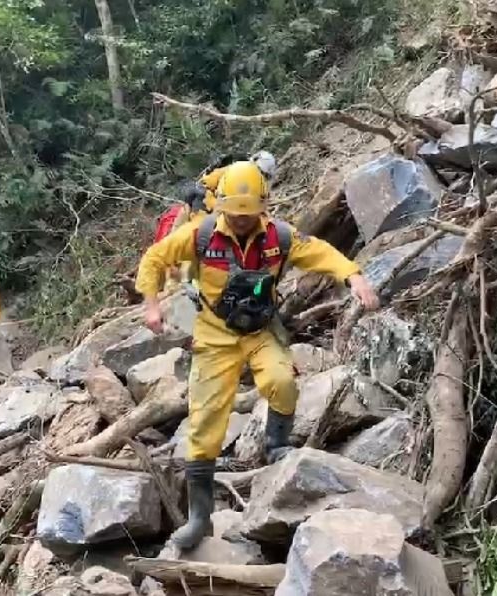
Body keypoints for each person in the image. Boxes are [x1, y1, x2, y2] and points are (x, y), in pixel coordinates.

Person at [135, 161, 378, 551]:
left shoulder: (279, 237)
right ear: (223, 208)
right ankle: (200, 517)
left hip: (262, 328)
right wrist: (151, 305)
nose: (242, 221)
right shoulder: (199, 234)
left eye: (249, 215)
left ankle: (276, 445)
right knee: (205, 420)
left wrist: (354, 275)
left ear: (262, 208)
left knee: (281, 381)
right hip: (216, 334)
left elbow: (320, 253)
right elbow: (154, 259)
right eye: (235, 215)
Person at [154, 151, 278, 292]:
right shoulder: (232, 172)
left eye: (264, 174)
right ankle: (174, 285)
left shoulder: (259, 187)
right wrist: (216, 207)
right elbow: (204, 185)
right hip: (203, 206)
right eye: (260, 171)